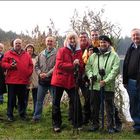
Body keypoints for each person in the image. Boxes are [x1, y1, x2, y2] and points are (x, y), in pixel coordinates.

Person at [86, 35, 120, 133]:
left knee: (109, 107)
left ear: (108, 43)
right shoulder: (94, 55)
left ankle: (110, 126)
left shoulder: (114, 56)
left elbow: (115, 70)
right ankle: (95, 125)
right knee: (94, 107)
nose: (102, 44)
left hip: (108, 86)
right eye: (101, 42)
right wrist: (91, 76)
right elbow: (88, 67)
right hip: (95, 86)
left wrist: (106, 81)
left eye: (104, 42)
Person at [51, 32, 83, 132]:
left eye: (74, 39)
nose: (72, 41)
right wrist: (73, 65)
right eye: (70, 39)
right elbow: (59, 65)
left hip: (71, 80)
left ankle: (77, 123)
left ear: (77, 40)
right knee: (56, 102)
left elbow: (81, 65)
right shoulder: (61, 50)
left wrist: (79, 65)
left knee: (76, 101)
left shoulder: (79, 52)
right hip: (59, 80)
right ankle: (57, 124)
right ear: (67, 40)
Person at [2, 38, 33, 121]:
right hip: (12, 81)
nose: (18, 44)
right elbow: (3, 63)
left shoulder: (26, 54)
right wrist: (9, 66)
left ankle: (22, 114)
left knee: (22, 99)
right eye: (16, 43)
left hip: (23, 80)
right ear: (13, 44)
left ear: (21, 44)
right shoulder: (8, 53)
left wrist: (28, 73)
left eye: (19, 43)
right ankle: (10, 115)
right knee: (11, 99)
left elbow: (30, 65)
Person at [32, 36, 57, 122]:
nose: (49, 42)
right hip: (42, 81)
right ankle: (36, 117)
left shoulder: (57, 53)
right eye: (48, 41)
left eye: (51, 41)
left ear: (54, 43)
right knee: (39, 100)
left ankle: (55, 118)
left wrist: (47, 74)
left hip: (52, 80)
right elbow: (36, 65)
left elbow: (56, 66)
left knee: (54, 100)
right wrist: (40, 73)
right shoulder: (41, 54)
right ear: (45, 42)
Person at [123, 28, 140, 134]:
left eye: (137, 35)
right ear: (131, 37)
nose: (135, 37)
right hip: (131, 82)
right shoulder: (131, 48)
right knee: (133, 104)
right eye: (133, 35)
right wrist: (124, 81)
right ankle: (137, 125)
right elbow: (125, 64)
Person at [25, 44, 38, 115]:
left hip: (35, 78)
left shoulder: (36, 57)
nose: (30, 50)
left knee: (35, 97)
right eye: (28, 49)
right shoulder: (23, 57)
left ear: (33, 50)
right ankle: (24, 112)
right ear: (26, 50)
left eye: (31, 49)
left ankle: (35, 112)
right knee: (25, 96)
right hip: (26, 79)